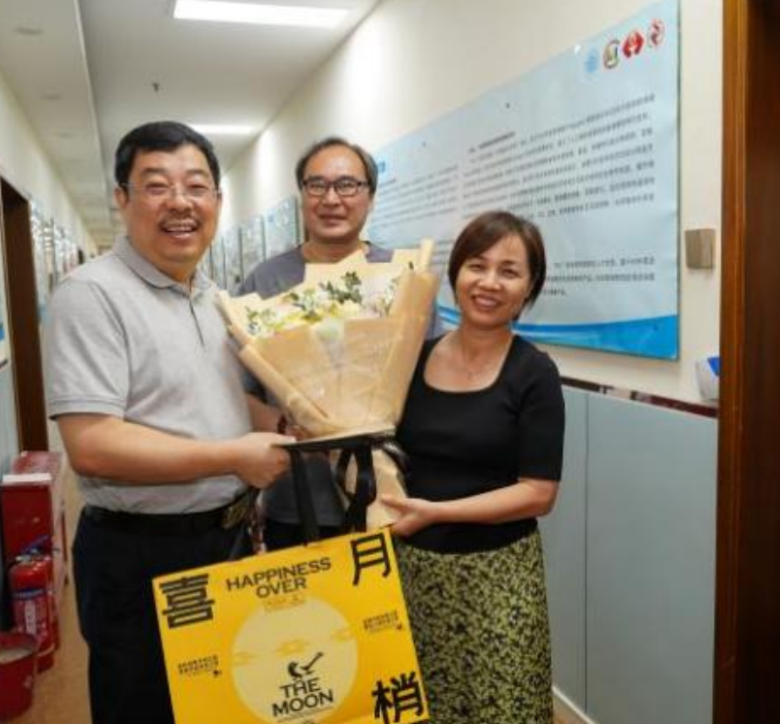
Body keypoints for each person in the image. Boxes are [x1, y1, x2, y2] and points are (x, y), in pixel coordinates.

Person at [43, 121, 292, 724]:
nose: (180, 202)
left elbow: (219, 400)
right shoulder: (91, 295)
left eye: (196, 186)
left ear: (217, 202)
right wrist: (234, 457)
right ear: (121, 199)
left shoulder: (210, 295)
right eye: (157, 185)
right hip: (142, 556)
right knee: (148, 709)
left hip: (227, 541)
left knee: (225, 707)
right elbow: (93, 445)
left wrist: (291, 424)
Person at [385, 210, 565, 723]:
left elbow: (538, 493)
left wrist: (437, 512)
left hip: (500, 578)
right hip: (415, 572)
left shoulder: (534, 373)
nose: (489, 283)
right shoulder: (410, 359)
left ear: (529, 288)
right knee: (426, 706)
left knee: (504, 706)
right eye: (477, 265)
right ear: (455, 273)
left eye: (509, 271)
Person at [237, 136, 396, 550]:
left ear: (370, 196)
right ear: (302, 195)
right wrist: (288, 429)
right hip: (295, 498)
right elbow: (239, 391)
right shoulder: (264, 281)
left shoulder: (400, 275)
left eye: (347, 185)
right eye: (317, 185)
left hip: (388, 492)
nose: (331, 199)